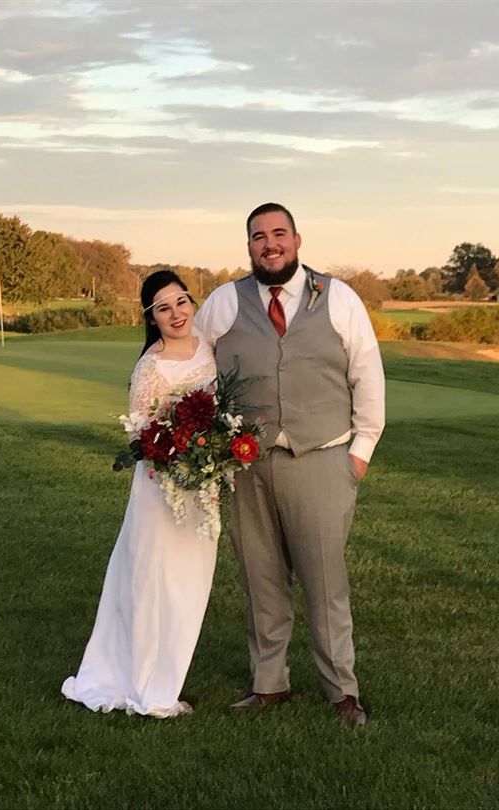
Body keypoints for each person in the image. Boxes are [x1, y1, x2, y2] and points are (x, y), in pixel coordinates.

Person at [193, 203, 385, 727]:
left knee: (326, 583)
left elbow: (367, 374)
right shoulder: (224, 302)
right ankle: (269, 684)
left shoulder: (338, 298)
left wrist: (359, 455)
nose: (269, 244)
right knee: (261, 579)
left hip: (322, 460)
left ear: (297, 240)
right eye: (259, 236)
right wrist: (210, 448)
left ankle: (342, 691)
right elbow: (196, 370)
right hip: (246, 466)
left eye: (279, 233)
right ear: (249, 246)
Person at [61, 270, 218, 718]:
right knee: (155, 582)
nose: (176, 313)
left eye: (181, 301)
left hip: (204, 490)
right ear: (152, 318)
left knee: (190, 584)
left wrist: (215, 455)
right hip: (160, 490)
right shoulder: (151, 367)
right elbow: (141, 434)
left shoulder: (209, 347)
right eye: (163, 308)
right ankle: (148, 686)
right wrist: (181, 455)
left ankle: (168, 674)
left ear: (191, 302)